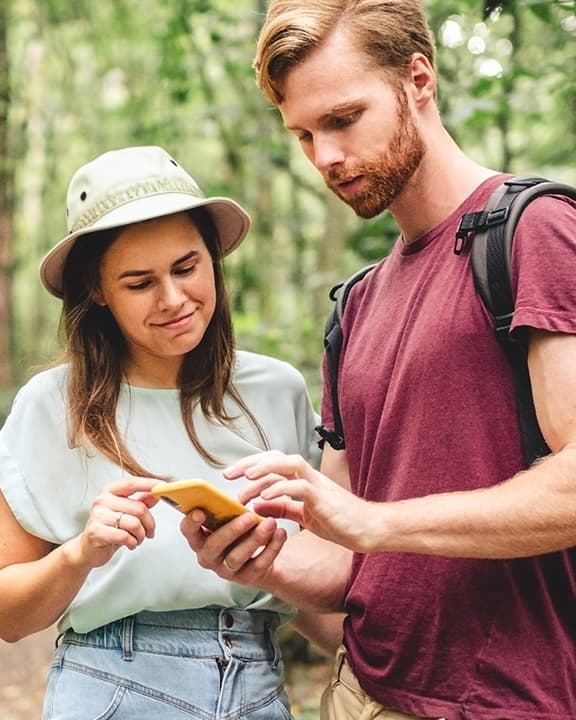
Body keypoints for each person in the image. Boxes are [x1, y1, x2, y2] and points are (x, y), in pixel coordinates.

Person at [181, 2, 576, 719]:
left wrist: (374, 523)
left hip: (506, 701)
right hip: (358, 694)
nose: (324, 157)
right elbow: (350, 564)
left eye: (342, 119)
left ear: (418, 79)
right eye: (303, 134)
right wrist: (261, 558)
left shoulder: (533, 232)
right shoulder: (356, 305)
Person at [0, 145, 321, 720]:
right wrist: (81, 554)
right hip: (111, 685)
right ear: (97, 290)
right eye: (139, 282)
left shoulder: (278, 391)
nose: (174, 300)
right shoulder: (52, 406)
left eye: (186, 267)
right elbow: (9, 614)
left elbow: (317, 590)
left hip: (258, 683)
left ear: (212, 258)